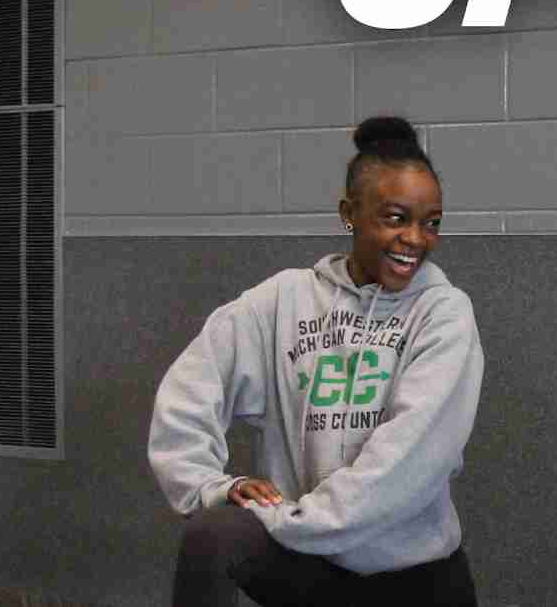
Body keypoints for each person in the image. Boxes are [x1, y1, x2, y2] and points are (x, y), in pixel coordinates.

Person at [148, 115, 484, 607]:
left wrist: (289, 520)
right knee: (213, 534)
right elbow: (188, 396)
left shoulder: (444, 313)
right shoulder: (282, 301)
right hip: (310, 568)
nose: (416, 238)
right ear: (350, 213)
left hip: (414, 578)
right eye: (395, 217)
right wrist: (215, 488)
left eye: (430, 222)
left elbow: (405, 466)